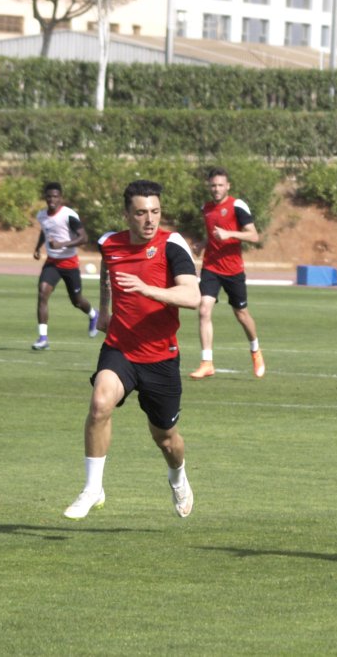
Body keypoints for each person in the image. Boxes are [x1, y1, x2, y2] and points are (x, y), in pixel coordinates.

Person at [63, 180, 202, 519]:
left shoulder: (172, 245)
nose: (149, 220)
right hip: (121, 348)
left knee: (166, 438)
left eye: (155, 212)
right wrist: (105, 312)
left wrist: (147, 289)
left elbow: (192, 297)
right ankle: (93, 487)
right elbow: (109, 275)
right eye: (141, 213)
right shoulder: (109, 244)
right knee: (99, 404)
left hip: (161, 357)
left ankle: (177, 476)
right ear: (127, 215)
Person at [189, 167, 266, 380]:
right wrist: (203, 244)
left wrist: (229, 233)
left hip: (233, 270)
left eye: (220, 185)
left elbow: (254, 236)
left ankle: (255, 350)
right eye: (213, 185)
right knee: (204, 309)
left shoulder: (237, 205)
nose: (216, 189)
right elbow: (213, 235)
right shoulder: (206, 208)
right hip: (211, 266)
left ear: (228, 186)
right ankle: (207, 362)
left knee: (241, 314)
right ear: (209, 186)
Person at [31, 182, 99, 350]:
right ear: (45, 198)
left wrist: (62, 244)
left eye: (55, 196)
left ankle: (93, 314)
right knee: (42, 292)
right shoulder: (42, 215)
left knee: (76, 301)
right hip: (52, 263)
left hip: (69, 263)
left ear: (61, 198)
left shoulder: (69, 215)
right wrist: (38, 247)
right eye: (49, 196)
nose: (52, 199)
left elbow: (83, 238)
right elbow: (45, 231)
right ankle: (43, 338)